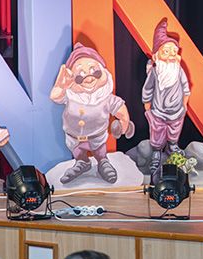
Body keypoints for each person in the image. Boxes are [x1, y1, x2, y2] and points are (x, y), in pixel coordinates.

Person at [50, 43, 134, 184]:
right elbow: (55, 97)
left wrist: (124, 122)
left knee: (99, 151)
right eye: (80, 75)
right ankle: (82, 162)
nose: (89, 78)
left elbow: (120, 108)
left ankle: (103, 162)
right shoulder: (70, 95)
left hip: (97, 136)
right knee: (77, 151)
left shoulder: (105, 97)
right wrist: (60, 86)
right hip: (73, 136)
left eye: (95, 72)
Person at [142, 18, 191, 176]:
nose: (171, 55)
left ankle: (172, 146)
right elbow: (147, 89)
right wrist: (147, 107)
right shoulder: (155, 73)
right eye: (166, 51)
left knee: (175, 129)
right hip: (158, 111)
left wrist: (184, 105)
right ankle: (157, 151)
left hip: (177, 110)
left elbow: (186, 87)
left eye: (174, 52)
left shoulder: (179, 70)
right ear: (156, 56)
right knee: (157, 131)